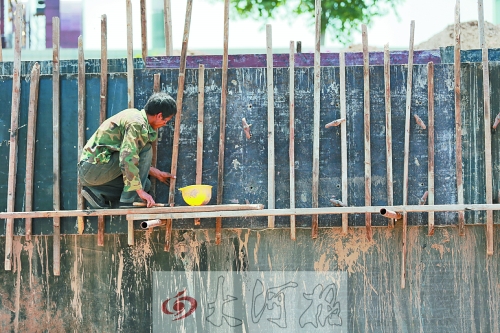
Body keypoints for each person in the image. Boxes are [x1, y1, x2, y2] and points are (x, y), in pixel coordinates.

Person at [78, 92, 176, 209]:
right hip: (93, 168)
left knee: (145, 184)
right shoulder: (137, 124)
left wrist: (156, 173)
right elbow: (127, 159)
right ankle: (130, 200)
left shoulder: (134, 115)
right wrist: (138, 192)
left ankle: (96, 192)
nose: (164, 124)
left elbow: (128, 157)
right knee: (146, 148)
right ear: (159, 115)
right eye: (166, 121)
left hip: (93, 171)